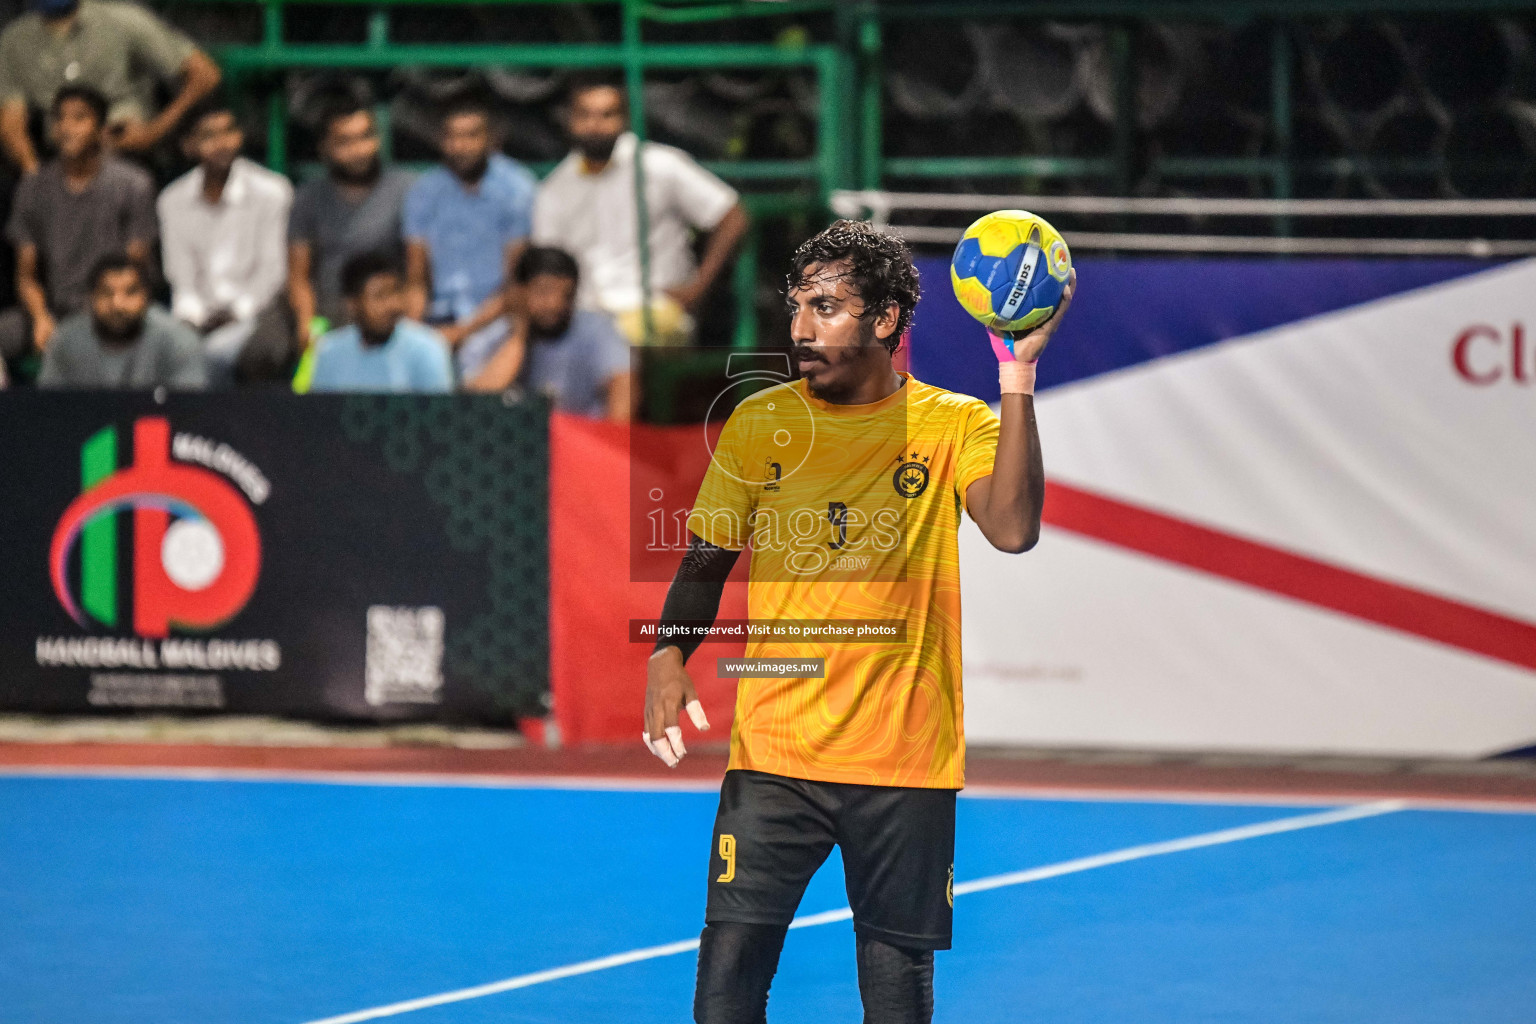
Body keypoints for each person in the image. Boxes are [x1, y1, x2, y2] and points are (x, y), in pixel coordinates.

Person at [642, 221, 1076, 1023]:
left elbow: (1013, 529)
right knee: (724, 992)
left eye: (828, 307)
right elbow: (706, 563)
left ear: (883, 321)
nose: (802, 326)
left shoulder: (954, 425)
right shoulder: (760, 423)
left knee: (895, 999)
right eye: (798, 305)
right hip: (775, 755)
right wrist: (668, 656)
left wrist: (1017, 376)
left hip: (903, 761)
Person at [533, 75, 750, 346]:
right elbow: (548, 266)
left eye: (606, 115)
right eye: (584, 114)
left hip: (657, 310)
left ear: (624, 119)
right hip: (583, 317)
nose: (594, 125)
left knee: (617, 346)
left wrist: (698, 289)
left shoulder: (660, 166)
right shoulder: (554, 188)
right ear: (570, 120)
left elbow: (732, 216)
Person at [1, 84, 155, 370]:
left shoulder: (134, 184)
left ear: (100, 128)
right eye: (60, 118)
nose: (67, 127)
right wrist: (40, 317)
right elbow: (26, 275)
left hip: (114, 309)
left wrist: (92, 319)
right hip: (54, 310)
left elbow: (136, 268)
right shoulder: (33, 188)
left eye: (80, 118)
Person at [157, 101, 294, 385]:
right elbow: (181, 277)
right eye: (209, 135)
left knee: (214, 354)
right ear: (189, 145)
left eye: (228, 131)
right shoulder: (172, 200)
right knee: (168, 348)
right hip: (196, 318)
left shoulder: (272, 191)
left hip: (257, 313)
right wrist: (194, 318)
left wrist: (235, 313)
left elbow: (272, 273)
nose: (222, 143)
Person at [0, 0, 221, 173]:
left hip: (128, 154)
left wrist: (154, 133)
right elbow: (11, 120)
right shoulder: (13, 40)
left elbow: (204, 74)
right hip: (61, 164)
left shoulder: (122, 20)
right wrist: (35, 176)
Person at [403, 98, 537, 379]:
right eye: (452, 136)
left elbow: (515, 284)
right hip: (437, 317)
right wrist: (412, 334)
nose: (460, 146)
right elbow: (416, 280)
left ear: (491, 139)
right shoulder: (424, 191)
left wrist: (462, 332)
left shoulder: (517, 188)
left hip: (498, 318)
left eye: (471, 136)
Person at [288, 98, 413, 350]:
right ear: (325, 148)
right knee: (260, 353)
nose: (359, 150)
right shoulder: (308, 197)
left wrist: (406, 320)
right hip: (325, 309)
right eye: (345, 142)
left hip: (384, 309)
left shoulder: (406, 190)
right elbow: (298, 275)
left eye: (366, 137)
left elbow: (417, 273)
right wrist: (306, 322)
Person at [466, 246, 633, 422]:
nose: (555, 304)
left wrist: (612, 441)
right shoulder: (496, 334)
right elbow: (476, 403)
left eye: (567, 294)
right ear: (518, 292)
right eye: (543, 292)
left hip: (580, 440)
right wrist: (520, 335)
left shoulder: (595, 328)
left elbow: (623, 383)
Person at [38, 251, 206, 389]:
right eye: (107, 293)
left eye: (131, 292)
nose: (118, 304)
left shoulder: (179, 341)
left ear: (147, 297)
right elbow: (48, 409)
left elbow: (189, 413)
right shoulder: (66, 340)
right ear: (90, 299)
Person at [307, 251, 453, 394]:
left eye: (396, 292)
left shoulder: (427, 349)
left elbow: (437, 415)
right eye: (380, 296)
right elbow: (322, 415)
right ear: (352, 305)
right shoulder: (328, 352)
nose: (392, 304)